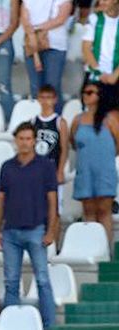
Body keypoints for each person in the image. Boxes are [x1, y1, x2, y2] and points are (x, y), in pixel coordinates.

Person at [0, 122, 59, 330]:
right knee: (11, 282)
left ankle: (49, 326)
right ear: (16, 140)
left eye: (28, 138)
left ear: (34, 141)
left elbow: (52, 200)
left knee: (42, 279)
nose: (25, 142)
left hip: (36, 229)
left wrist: (51, 229)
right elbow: (0, 201)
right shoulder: (7, 167)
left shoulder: (46, 166)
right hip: (10, 231)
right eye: (21, 138)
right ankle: (12, 327)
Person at [71, 83, 119, 248]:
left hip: (104, 170)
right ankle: (91, 247)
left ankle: (105, 249)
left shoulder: (110, 119)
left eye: (90, 92)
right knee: (89, 212)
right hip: (85, 170)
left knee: (104, 212)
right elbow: (73, 142)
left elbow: (117, 144)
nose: (86, 95)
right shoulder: (77, 120)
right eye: (84, 92)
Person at [20, 0, 73, 112]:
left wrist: (35, 29)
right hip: (31, 43)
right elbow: (24, 18)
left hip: (55, 46)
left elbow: (60, 19)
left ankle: (55, 122)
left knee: (52, 87)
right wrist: (32, 33)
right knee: (35, 87)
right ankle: (38, 121)